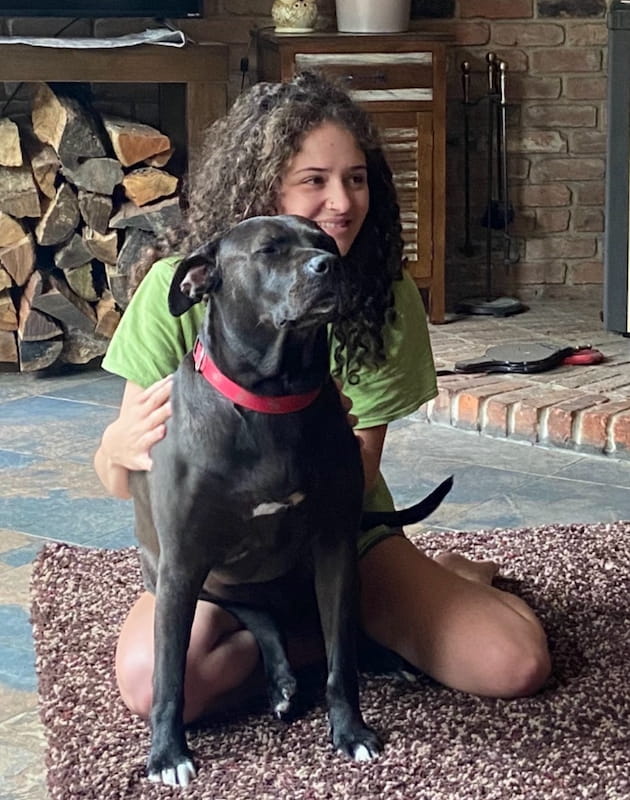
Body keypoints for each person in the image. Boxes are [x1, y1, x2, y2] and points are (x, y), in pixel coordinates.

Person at [94, 72, 551, 724]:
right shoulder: (186, 287)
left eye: (357, 178)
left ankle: (410, 596)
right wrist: (114, 449)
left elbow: (354, 474)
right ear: (263, 190)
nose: (342, 201)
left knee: (516, 664)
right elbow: (122, 479)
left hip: (336, 536)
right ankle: (321, 643)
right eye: (314, 180)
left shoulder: (381, 299)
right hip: (226, 564)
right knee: (152, 685)